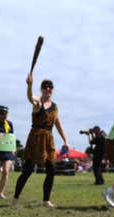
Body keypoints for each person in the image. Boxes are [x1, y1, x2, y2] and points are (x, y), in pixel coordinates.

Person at [13, 75, 70, 208]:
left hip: (48, 139)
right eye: (45, 86)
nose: (47, 89)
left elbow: (58, 123)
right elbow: (30, 98)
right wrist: (29, 86)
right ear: (41, 89)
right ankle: (15, 198)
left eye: (50, 87)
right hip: (36, 138)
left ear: (53, 90)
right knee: (28, 170)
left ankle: (46, 200)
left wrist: (66, 140)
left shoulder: (55, 106)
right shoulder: (38, 102)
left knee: (51, 170)